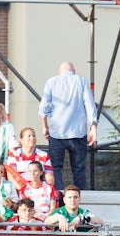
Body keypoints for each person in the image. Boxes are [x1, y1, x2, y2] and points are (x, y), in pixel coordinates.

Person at [40, 62, 98, 190]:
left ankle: (59, 197)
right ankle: (80, 197)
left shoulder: (52, 82)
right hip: (78, 133)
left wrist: (44, 126)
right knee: (79, 168)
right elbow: (89, 104)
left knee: (56, 167)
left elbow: (44, 106)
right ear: (74, 70)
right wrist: (93, 127)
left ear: (59, 71)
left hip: (57, 132)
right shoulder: (82, 81)